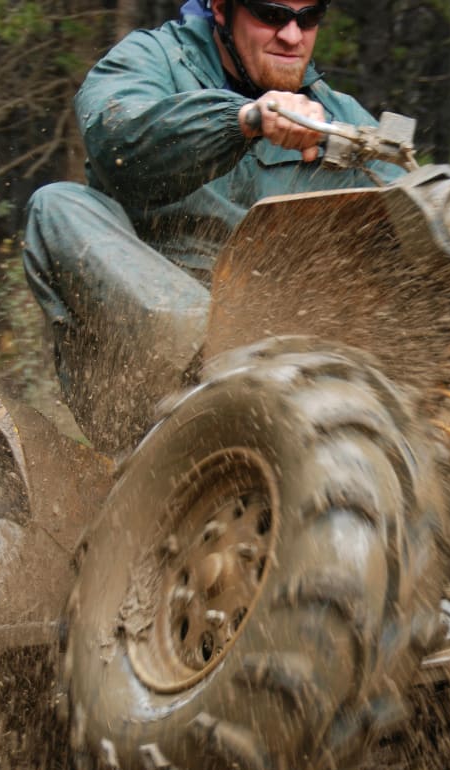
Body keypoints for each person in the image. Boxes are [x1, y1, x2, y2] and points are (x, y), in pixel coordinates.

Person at [22, 0, 402, 453]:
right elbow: (117, 142)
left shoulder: (341, 117)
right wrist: (244, 120)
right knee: (56, 205)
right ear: (222, 9)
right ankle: (221, 369)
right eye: (272, 14)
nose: (293, 36)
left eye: (310, 17)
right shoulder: (150, 60)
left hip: (294, 358)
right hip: (143, 370)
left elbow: (418, 216)